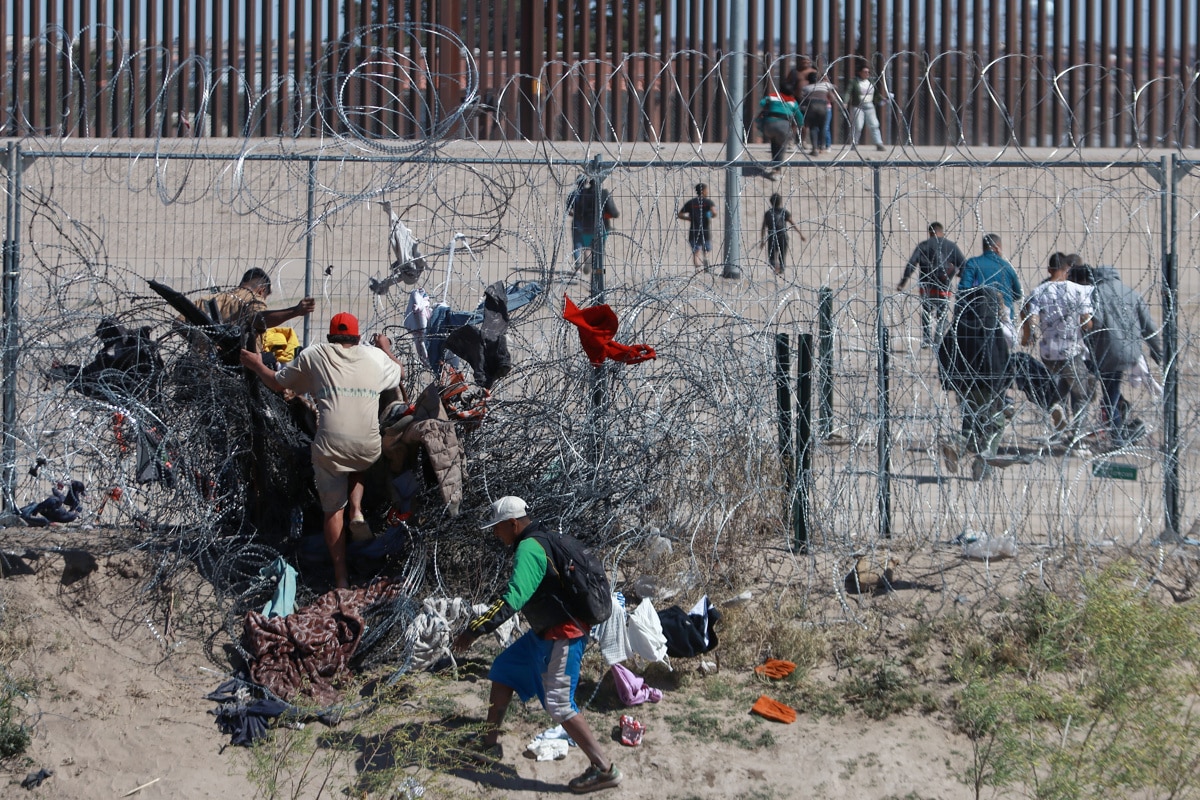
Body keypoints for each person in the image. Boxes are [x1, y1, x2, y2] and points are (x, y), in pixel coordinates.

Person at [451, 496, 622, 794]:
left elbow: (512, 600)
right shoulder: (545, 537)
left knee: (558, 703)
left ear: (513, 524)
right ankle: (489, 744)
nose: (496, 534)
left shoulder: (529, 549)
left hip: (563, 634)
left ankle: (604, 768)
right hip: (545, 632)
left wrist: (473, 630)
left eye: (498, 528)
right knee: (503, 669)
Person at [239, 313, 405, 589]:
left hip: (329, 447)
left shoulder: (315, 354)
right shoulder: (374, 357)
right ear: (357, 336)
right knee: (358, 458)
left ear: (330, 337)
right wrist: (386, 348)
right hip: (367, 447)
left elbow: (278, 382)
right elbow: (400, 373)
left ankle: (340, 577)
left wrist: (257, 365)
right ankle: (356, 510)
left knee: (332, 509)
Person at [1077, 264, 1163, 447]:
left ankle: (1117, 437)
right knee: (1112, 391)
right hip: (1132, 351)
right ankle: (1122, 419)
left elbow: (1095, 323)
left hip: (1108, 352)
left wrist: (1089, 347)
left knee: (1110, 394)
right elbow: (1148, 325)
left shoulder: (1095, 293)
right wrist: (1158, 353)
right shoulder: (1131, 293)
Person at [938, 286, 1013, 480]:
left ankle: (958, 444)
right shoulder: (990, 325)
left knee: (970, 422)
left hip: (963, 384)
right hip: (988, 384)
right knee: (995, 425)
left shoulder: (959, 324)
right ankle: (983, 464)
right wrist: (1003, 385)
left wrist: (948, 381)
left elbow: (943, 351)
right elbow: (1000, 358)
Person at [1019, 253, 1095, 438]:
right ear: (1067, 269)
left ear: (1050, 269)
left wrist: (1031, 334)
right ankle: (1078, 439)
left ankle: (1055, 405)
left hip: (1048, 354)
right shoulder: (1078, 290)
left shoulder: (1039, 291)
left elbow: (1030, 314)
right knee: (1083, 394)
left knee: (1063, 383)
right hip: (1071, 351)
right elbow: (1087, 322)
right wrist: (1086, 324)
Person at [191, 267, 316, 354]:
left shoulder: (208, 299)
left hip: (203, 370)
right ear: (262, 291)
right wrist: (295, 311)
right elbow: (260, 319)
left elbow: (178, 323)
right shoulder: (252, 299)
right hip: (241, 373)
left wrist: (204, 343)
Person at [897, 222, 968, 347]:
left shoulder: (923, 245)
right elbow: (963, 264)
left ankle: (926, 339)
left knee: (926, 314)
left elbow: (911, 264)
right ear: (942, 232)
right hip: (943, 287)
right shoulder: (951, 246)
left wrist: (903, 282)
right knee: (942, 315)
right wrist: (959, 274)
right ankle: (938, 339)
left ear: (930, 233)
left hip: (926, 287)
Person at [958, 233, 1023, 329]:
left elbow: (963, 289)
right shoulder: (1007, 267)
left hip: (979, 317)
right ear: (997, 248)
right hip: (1004, 318)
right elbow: (1018, 294)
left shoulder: (973, 263)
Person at [567, 178, 619, 276]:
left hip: (586, 225)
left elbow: (573, 210)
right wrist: (607, 215)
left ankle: (585, 261)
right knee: (600, 249)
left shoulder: (582, 194)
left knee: (587, 246)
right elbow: (614, 212)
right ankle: (598, 272)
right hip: (602, 226)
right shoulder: (604, 193)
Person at [756, 79, 804, 178]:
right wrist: (800, 124)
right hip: (783, 126)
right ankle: (777, 170)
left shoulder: (772, 96)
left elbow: (762, 103)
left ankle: (774, 166)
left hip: (769, 125)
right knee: (781, 148)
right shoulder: (792, 101)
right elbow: (799, 117)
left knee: (774, 144)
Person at [760, 193, 806, 274]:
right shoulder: (784, 212)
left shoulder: (768, 213)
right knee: (781, 256)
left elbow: (763, 228)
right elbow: (792, 223)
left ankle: (777, 268)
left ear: (770, 202)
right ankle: (779, 268)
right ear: (780, 202)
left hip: (772, 237)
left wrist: (762, 240)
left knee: (772, 258)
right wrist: (800, 234)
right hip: (782, 237)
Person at [846, 64, 886, 152]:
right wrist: (845, 101)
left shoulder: (871, 81)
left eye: (868, 72)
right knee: (858, 125)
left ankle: (879, 143)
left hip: (869, 106)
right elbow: (848, 91)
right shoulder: (854, 81)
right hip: (858, 106)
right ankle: (854, 143)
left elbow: (875, 94)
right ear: (860, 72)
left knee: (874, 124)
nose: (867, 73)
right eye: (865, 72)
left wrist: (882, 99)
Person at [677, 183, 717, 271]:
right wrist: (709, 215)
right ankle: (706, 262)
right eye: (707, 190)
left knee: (696, 251)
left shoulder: (691, 202)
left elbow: (679, 214)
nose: (708, 192)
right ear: (703, 191)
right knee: (706, 250)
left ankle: (698, 269)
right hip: (705, 229)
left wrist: (688, 218)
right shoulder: (708, 202)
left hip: (694, 230)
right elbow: (714, 213)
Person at [799, 71, 838, 156]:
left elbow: (803, 98)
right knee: (823, 127)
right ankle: (822, 147)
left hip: (811, 107)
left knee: (813, 127)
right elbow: (835, 88)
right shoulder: (825, 85)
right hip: (823, 107)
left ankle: (814, 149)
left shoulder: (806, 88)